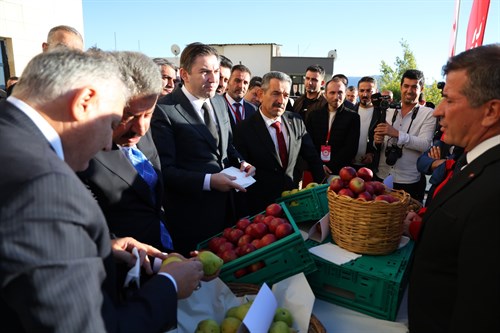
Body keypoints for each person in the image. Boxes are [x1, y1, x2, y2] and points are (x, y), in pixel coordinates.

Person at [0, 48, 204, 333]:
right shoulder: (43, 186)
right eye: (111, 122)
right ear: (84, 101)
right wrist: (168, 285)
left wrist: (102, 247)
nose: (109, 144)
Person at [409, 44, 500, 333]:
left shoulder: (494, 193)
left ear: (491, 111)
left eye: (448, 99)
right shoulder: (473, 160)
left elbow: (480, 312)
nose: (437, 111)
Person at [152, 42, 255, 256]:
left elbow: (227, 147)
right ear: (185, 74)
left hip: (228, 213)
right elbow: (165, 171)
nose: (213, 79)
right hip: (191, 220)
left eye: (216, 71)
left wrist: (241, 162)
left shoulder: (219, 102)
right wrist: (209, 181)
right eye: (205, 72)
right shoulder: (164, 111)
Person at [78, 51, 173, 252]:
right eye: (128, 115)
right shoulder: (80, 153)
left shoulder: (142, 132)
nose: (140, 128)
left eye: (148, 114)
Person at [233, 71, 325, 215]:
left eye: (286, 95)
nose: (282, 101)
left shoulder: (296, 121)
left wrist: (326, 188)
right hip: (260, 210)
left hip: (293, 203)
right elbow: (240, 172)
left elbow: (312, 158)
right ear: (261, 94)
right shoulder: (243, 129)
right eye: (276, 93)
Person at [373, 69, 435, 202]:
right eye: (406, 86)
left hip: (409, 180)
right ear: (401, 87)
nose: (409, 90)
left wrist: (397, 134)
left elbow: (425, 145)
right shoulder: (388, 111)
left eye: (414, 87)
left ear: (421, 88)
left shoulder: (428, 113)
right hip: (382, 175)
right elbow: (378, 142)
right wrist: (377, 141)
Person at [306, 76, 360, 176]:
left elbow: (351, 148)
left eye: (340, 93)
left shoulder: (353, 117)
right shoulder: (314, 115)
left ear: (344, 95)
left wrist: (330, 167)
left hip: (341, 172)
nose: (336, 97)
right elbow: (309, 144)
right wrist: (320, 165)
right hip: (316, 169)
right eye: (332, 93)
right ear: (325, 94)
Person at [352, 76, 379, 170]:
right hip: (350, 165)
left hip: (372, 168)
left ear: (376, 91)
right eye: (362, 90)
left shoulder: (382, 115)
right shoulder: (349, 112)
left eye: (369, 91)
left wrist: (372, 154)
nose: (365, 94)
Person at [223, 64, 257, 133]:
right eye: (237, 81)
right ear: (228, 81)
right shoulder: (216, 106)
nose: (241, 86)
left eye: (245, 83)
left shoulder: (253, 110)